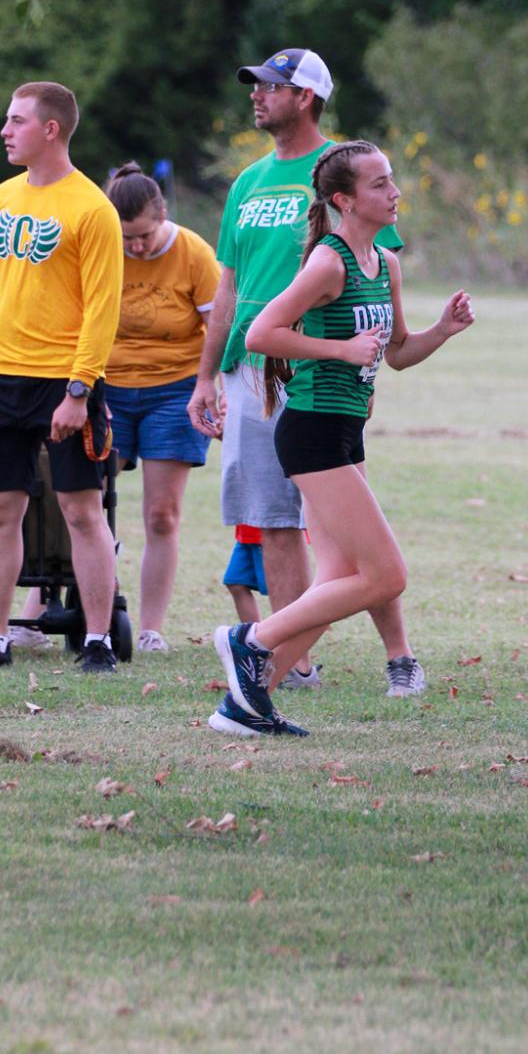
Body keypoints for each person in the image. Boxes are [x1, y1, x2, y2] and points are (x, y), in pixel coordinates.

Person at [208, 140, 474, 737]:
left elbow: (399, 354)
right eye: (379, 184)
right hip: (311, 433)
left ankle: (245, 708)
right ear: (343, 200)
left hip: (346, 434)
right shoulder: (328, 263)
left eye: (391, 180)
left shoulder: (387, 263)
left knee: (333, 582)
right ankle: (250, 638)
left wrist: (444, 331)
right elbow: (260, 333)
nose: (394, 191)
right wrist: (337, 349)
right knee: (387, 575)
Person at [187, 49, 427, 697]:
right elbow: (229, 290)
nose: (257, 95)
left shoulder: (348, 174)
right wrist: (207, 375)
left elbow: (373, 293)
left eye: (272, 85)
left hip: (324, 392)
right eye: (256, 85)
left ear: (307, 96)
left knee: (352, 550)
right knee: (277, 523)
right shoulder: (249, 183)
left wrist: (366, 365)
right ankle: (278, 662)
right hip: (258, 375)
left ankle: (372, 656)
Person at [0, 82, 124, 672]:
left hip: (64, 383)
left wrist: (78, 390)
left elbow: (102, 308)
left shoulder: (92, 208)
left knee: (83, 512)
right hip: (3, 380)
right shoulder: (4, 197)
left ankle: (97, 641)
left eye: (16, 121)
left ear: (51, 130)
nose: (4, 131)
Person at [101, 161, 221, 654]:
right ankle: (66, 612)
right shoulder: (100, 245)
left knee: (161, 514)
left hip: (175, 389)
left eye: (144, 236)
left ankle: (148, 629)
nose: (135, 247)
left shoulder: (193, 253)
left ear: (162, 216)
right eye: (126, 238)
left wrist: (210, 385)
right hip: (104, 386)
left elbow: (219, 325)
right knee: (83, 507)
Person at [223, 524, 267, 630]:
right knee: (235, 581)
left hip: (266, 534)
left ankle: (288, 638)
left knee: (280, 590)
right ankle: (254, 638)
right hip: (246, 533)